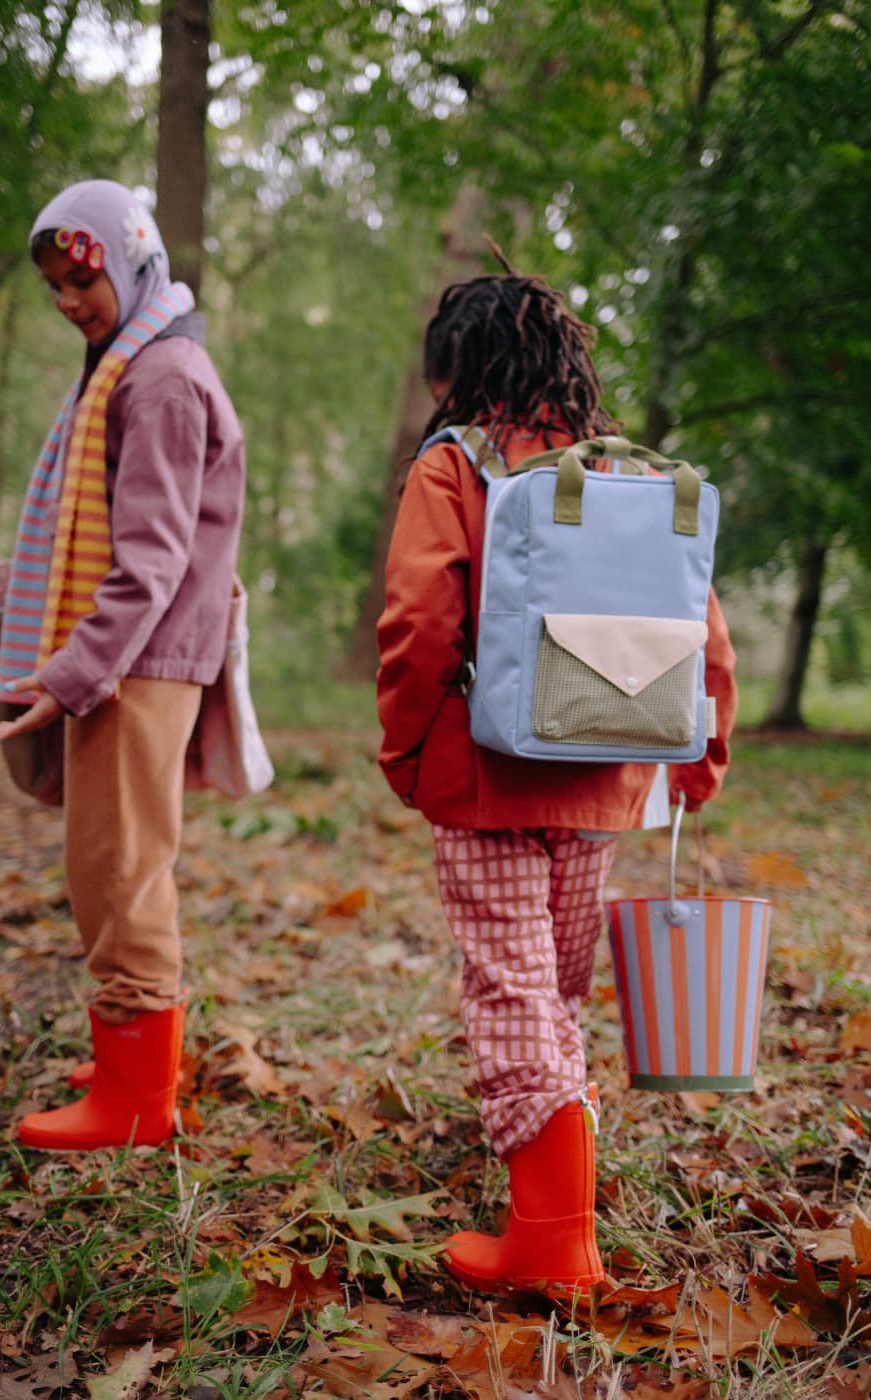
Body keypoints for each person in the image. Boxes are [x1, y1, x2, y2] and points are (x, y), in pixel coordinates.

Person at [375, 273, 737, 1292]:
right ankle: (556, 1194)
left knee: (512, 985)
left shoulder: (455, 465)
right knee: (555, 986)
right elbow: (702, 629)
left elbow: (416, 624)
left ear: (459, 370)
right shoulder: (630, 476)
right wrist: (697, 762)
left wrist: (409, 746)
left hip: (486, 771)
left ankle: (552, 1239)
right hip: (608, 765)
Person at [0, 179, 245, 1151]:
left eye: (80, 279)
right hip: (129, 652)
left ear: (130, 256)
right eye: (55, 287)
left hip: (138, 657)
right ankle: (131, 1059)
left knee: (123, 863)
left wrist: (68, 673)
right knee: (104, 860)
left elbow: (152, 558)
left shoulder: (164, 376)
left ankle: (137, 1103)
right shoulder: (130, 367)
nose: (69, 304)